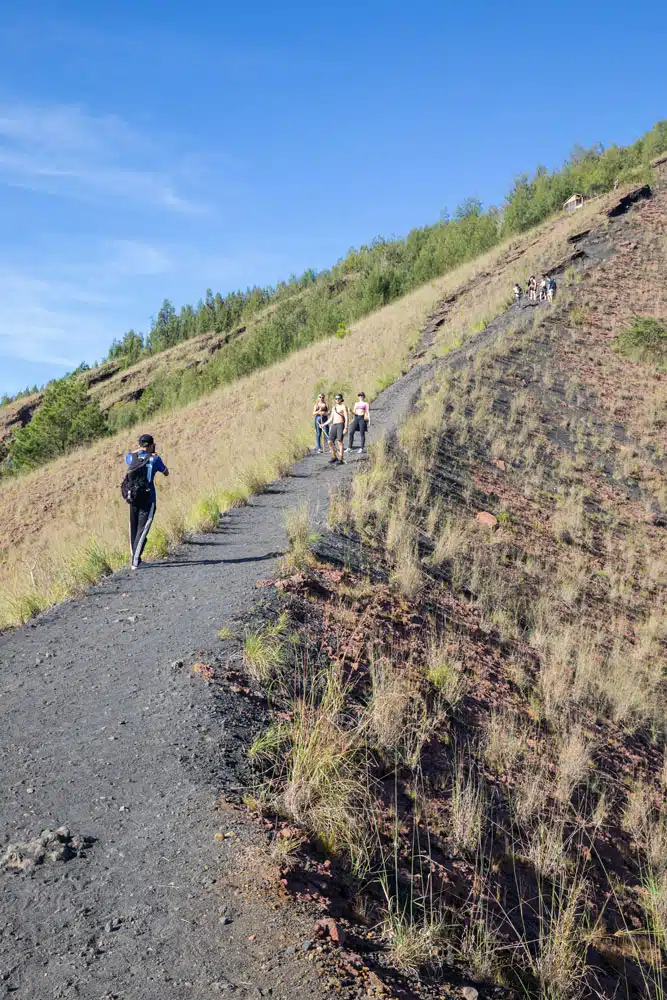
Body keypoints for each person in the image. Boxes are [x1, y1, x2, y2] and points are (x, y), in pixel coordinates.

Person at [123, 433, 169, 570]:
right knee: (142, 530)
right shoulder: (155, 459)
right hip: (148, 499)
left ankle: (136, 558)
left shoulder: (132, 458)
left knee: (134, 528)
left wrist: (139, 450)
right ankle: (135, 562)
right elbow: (166, 472)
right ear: (150, 445)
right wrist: (153, 455)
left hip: (133, 497)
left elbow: (129, 454)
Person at [323, 393, 349, 465]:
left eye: (338, 398)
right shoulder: (334, 408)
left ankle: (341, 458)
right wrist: (324, 424)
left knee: (339, 441)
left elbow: (346, 418)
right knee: (329, 442)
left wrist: (346, 427)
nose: (337, 400)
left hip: (340, 425)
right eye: (336, 398)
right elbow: (331, 418)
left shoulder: (343, 407)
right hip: (334, 425)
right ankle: (334, 456)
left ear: (341, 399)